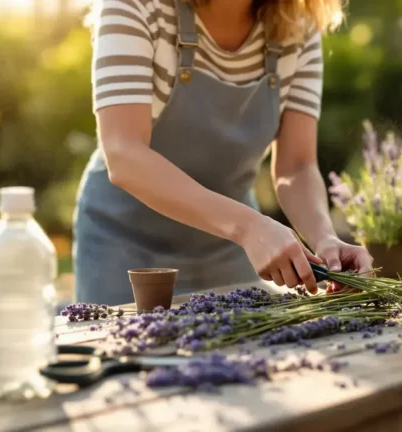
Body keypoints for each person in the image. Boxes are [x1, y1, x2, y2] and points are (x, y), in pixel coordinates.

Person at [74, 0, 371, 306]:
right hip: (127, 252)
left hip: (230, 251)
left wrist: (324, 239)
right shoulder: (134, 7)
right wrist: (249, 226)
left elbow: (296, 166)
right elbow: (125, 155)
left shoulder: (298, 25)